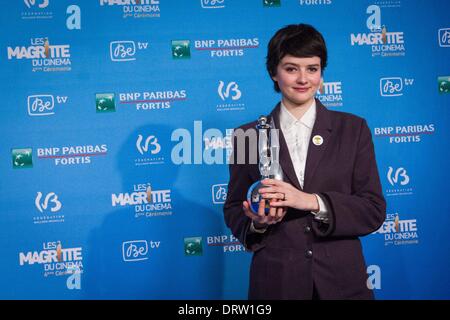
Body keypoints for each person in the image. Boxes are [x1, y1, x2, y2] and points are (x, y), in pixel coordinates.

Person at [223, 24, 386, 300]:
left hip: (342, 284)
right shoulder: (248, 135)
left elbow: (372, 209)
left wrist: (311, 201)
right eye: (291, 68)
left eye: (312, 68)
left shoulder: (353, 129)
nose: (303, 79)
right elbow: (234, 208)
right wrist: (258, 223)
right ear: (274, 72)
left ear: (322, 73)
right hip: (276, 283)